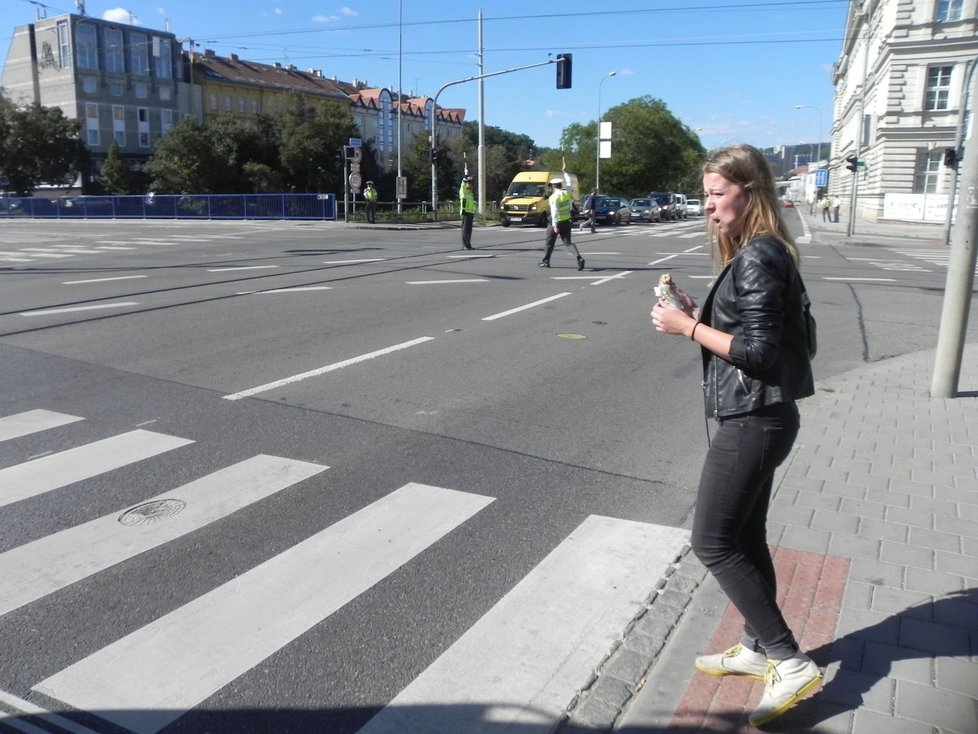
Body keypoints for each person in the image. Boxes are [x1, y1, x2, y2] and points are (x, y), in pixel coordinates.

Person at [650, 143, 821, 728]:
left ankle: (788, 660)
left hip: (755, 421)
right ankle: (754, 648)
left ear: (750, 192)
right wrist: (704, 315)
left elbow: (756, 352)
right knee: (746, 537)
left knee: (713, 541)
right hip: (765, 417)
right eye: (706, 195)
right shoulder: (763, 252)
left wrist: (687, 326)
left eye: (718, 194)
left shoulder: (757, 256)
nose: (708, 207)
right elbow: (759, 332)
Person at [539, 172, 585, 270]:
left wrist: (555, 226)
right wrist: (566, 174)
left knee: (549, 242)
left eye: (551, 186)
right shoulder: (567, 192)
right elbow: (569, 184)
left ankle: (546, 261)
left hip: (556, 222)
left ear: (553, 186)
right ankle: (579, 258)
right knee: (568, 243)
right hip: (566, 221)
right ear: (560, 185)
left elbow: (554, 211)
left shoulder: (553, 197)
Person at [459, 176, 476, 249]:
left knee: (469, 230)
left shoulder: (470, 193)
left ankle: (468, 244)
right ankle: (465, 245)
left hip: (470, 213)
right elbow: (462, 185)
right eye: (469, 183)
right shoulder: (463, 191)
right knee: (465, 229)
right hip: (465, 212)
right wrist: (465, 179)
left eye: (471, 183)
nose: (470, 185)